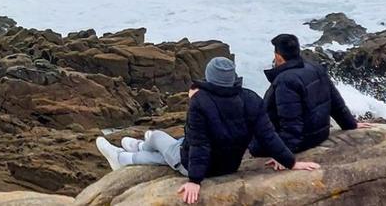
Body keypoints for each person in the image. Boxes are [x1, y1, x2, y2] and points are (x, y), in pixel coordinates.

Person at [96, 56, 319, 204]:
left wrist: (194, 180)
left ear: (209, 77)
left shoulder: (200, 102)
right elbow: (268, 136)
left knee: (157, 136)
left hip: (197, 164)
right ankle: (135, 147)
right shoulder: (251, 98)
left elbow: (200, 143)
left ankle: (125, 157)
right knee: (167, 148)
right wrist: (291, 162)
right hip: (229, 164)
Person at [251, 33, 369, 157]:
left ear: (278, 57)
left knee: (253, 144)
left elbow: (291, 123)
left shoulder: (285, 81)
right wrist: (350, 124)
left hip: (301, 142)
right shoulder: (315, 67)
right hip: (320, 134)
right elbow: (336, 102)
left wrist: (284, 156)